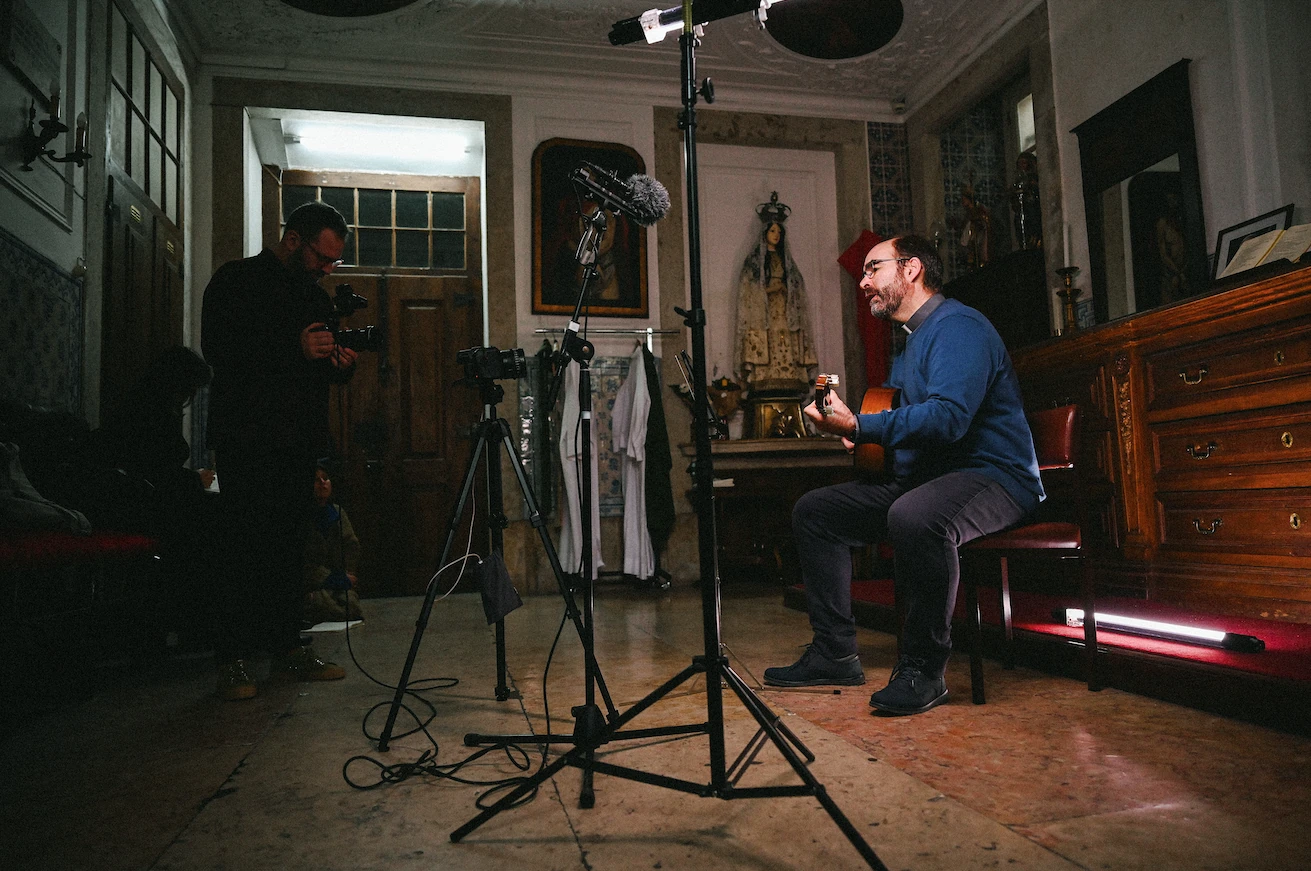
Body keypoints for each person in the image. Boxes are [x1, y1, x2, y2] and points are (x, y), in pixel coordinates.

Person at [763, 234, 1043, 716]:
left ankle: (923, 670)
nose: (864, 282)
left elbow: (949, 419)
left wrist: (861, 426)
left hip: (995, 478)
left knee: (915, 515)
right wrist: (862, 437)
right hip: (936, 478)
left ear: (911, 269)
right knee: (816, 512)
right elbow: (902, 423)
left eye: (874, 268)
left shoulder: (959, 327)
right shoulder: (912, 344)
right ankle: (834, 654)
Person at [201, 201, 358, 701]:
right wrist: (294, 348)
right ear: (293, 239)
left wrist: (339, 364)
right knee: (243, 545)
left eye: (334, 261)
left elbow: (315, 372)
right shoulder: (235, 281)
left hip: (297, 440)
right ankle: (232, 659)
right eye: (322, 257)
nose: (327, 269)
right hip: (247, 437)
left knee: (291, 548)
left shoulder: (313, 297)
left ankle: (288, 646)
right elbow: (219, 350)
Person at [735, 204, 817, 394]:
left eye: (779, 232)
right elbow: (749, 290)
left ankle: (789, 380)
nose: (776, 235)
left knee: (786, 341)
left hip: (785, 311)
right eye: (772, 231)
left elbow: (797, 285)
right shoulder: (754, 262)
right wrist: (772, 289)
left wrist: (789, 292)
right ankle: (764, 379)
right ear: (765, 233)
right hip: (764, 312)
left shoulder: (787, 261)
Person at [303, 463, 362, 626]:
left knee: (351, 604)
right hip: (315, 582)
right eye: (317, 480)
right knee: (319, 602)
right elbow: (306, 561)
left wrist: (347, 573)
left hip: (337, 578)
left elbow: (351, 545)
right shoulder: (304, 518)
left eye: (326, 479)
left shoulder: (337, 512)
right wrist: (328, 578)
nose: (323, 483)